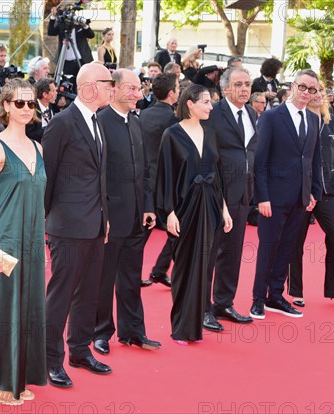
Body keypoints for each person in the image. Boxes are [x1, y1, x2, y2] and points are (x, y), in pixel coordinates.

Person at [0, 78, 47, 406]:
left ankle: (19, 375)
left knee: (28, 309)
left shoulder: (38, 147)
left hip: (32, 242)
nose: (26, 109)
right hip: (5, 240)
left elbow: (40, 198)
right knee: (4, 309)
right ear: (5, 106)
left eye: (31, 104)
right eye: (19, 103)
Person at [42, 63, 113, 388]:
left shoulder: (98, 122)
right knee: (61, 295)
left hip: (95, 224)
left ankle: (80, 351)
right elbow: (48, 175)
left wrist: (105, 218)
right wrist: (45, 222)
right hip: (67, 227)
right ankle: (49, 360)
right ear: (88, 86)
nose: (112, 87)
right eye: (107, 82)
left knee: (89, 294)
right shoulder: (62, 123)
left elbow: (99, 177)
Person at [155, 84, 232, 344]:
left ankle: (195, 326)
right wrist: (170, 213)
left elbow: (218, 175)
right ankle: (180, 328)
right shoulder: (172, 134)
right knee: (184, 267)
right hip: (184, 208)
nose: (211, 107)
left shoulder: (210, 133)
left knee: (203, 267)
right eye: (206, 102)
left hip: (209, 206)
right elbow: (165, 176)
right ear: (190, 103)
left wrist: (225, 209)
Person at [93, 69, 161, 356]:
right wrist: (103, 215)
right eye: (131, 88)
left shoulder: (136, 123)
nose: (138, 94)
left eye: (139, 88)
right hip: (110, 217)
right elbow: (97, 174)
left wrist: (147, 206)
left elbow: (144, 170)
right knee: (104, 277)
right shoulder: (100, 122)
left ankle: (133, 331)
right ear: (115, 89)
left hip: (136, 215)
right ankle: (100, 333)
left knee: (132, 276)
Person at [250, 69, 322, 320]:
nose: (306, 93)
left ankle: (276, 295)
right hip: (273, 198)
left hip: (300, 198)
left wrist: (314, 192)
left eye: (312, 89)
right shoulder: (272, 117)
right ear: (292, 86)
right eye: (303, 87)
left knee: (288, 248)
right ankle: (258, 298)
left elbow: (314, 159)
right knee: (268, 247)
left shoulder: (314, 120)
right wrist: (262, 197)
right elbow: (260, 161)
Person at [202, 67, 258, 331]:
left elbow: (250, 151)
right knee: (210, 253)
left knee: (233, 252)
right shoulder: (213, 113)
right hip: (217, 195)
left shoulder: (250, 113)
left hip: (243, 193)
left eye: (247, 84)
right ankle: (202, 309)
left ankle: (223, 302)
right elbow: (205, 155)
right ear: (224, 88)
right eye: (238, 84)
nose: (244, 89)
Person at [288, 85, 334, 309]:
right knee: (295, 242)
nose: (318, 95)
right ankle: (295, 290)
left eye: (322, 91)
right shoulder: (296, 119)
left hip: (327, 190)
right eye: (314, 90)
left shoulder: (330, 119)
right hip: (300, 192)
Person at [140, 73, 180, 288]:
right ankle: (158, 269)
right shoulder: (173, 119)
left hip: (145, 180)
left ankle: (154, 270)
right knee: (176, 229)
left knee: (144, 232)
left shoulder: (143, 114)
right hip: (164, 182)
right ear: (172, 93)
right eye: (177, 87)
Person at [47, 6, 95, 86]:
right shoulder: (62, 25)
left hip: (81, 60)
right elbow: (51, 32)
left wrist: (84, 25)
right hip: (67, 62)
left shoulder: (79, 25)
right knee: (69, 84)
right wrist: (53, 17)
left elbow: (91, 35)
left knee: (83, 83)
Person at [25, 77, 57, 142]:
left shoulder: (52, 105)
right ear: (45, 94)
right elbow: (29, 134)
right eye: (53, 91)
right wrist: (51, 129)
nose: (56, 93)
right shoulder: (31, 108)